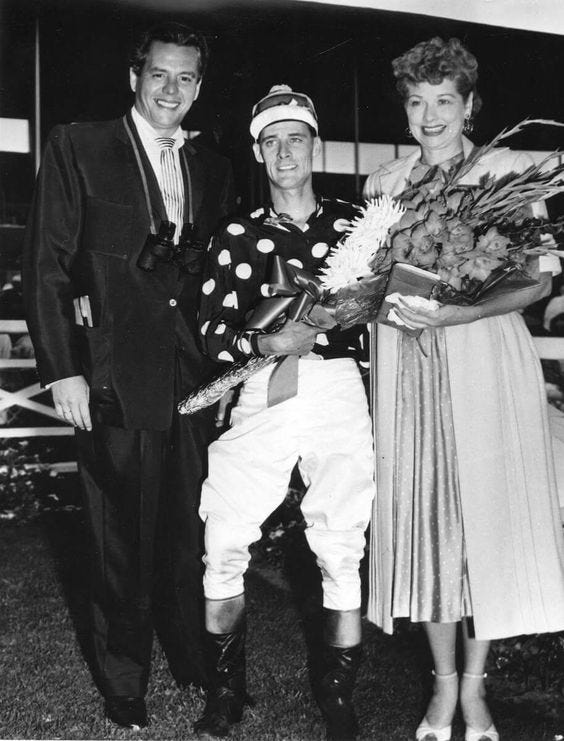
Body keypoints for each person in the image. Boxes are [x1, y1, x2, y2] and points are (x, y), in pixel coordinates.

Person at [23, 22, 234, 729]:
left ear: (200, 86)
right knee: (120, 536)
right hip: (112, 376)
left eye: (187, 78)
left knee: (185, 529)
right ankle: (122, 676)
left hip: (194, 382)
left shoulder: (213, 168)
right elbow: (48, 270)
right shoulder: (77, 145)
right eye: (160, 75)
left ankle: (185, 651)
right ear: (134, 76)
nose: (172, 90)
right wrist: (63, 374)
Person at [363, 37, 564, 741]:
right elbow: (367, 280)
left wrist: (460, 312)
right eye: (417, 101)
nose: (430, 115)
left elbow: (537, 279)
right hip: (408, 366)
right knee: (428, 530)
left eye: (444, 100)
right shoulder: (384, 184)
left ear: (471, 104)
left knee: (487, 529)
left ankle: (476, 691)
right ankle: (442, 687)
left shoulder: (506, 173)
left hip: (482, 358)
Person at [194, 85, 375, 740]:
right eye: (271, 140)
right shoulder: (239, 234)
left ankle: (338, 694)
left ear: (313, 142)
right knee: (222, 541)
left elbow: (384, 308)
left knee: (340, 545)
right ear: (259, 151)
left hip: (335, 388)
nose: (284, 151)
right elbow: (210, 329)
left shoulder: (358, 225)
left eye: (295, 136)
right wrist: (265, 342)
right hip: (265, 384)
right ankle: (227, 688)